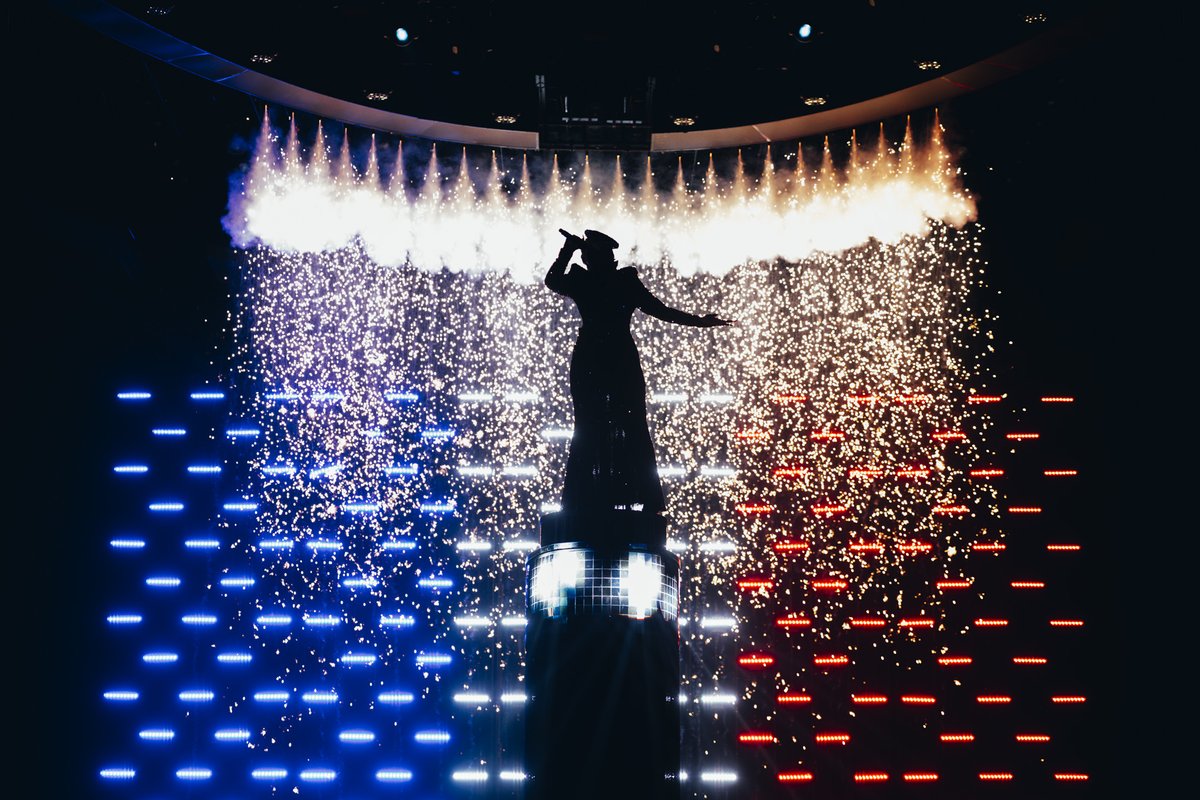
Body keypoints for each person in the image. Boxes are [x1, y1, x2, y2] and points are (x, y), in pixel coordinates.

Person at [545, 228, 732, 516]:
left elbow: (554, 280)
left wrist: (567, 250)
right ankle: (633, 497)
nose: (584, 257)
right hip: (616, 357)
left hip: (594, 357)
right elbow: (662, 311)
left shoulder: (591, 280)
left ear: (595, 257)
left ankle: (587, 499)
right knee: (622, 426)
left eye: (586, 253)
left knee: (599, 426)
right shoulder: (619, 281)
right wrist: (699, 322)